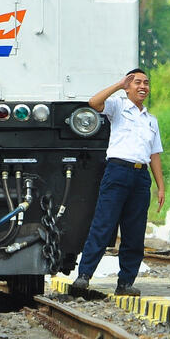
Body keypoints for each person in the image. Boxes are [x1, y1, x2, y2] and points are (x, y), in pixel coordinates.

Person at [70, 69, 165, 296]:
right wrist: (119, 84)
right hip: (117, 171)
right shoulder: (119, 107)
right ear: (129, 86)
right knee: (103, 224)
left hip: (141, 177)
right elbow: (94, 102)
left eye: (146, 83)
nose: (143, 86)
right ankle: (84, 276)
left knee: (134, 231)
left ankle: (125, 283)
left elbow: (155, 155)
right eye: (137, 82)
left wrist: (160, 186)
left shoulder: (151, 120)